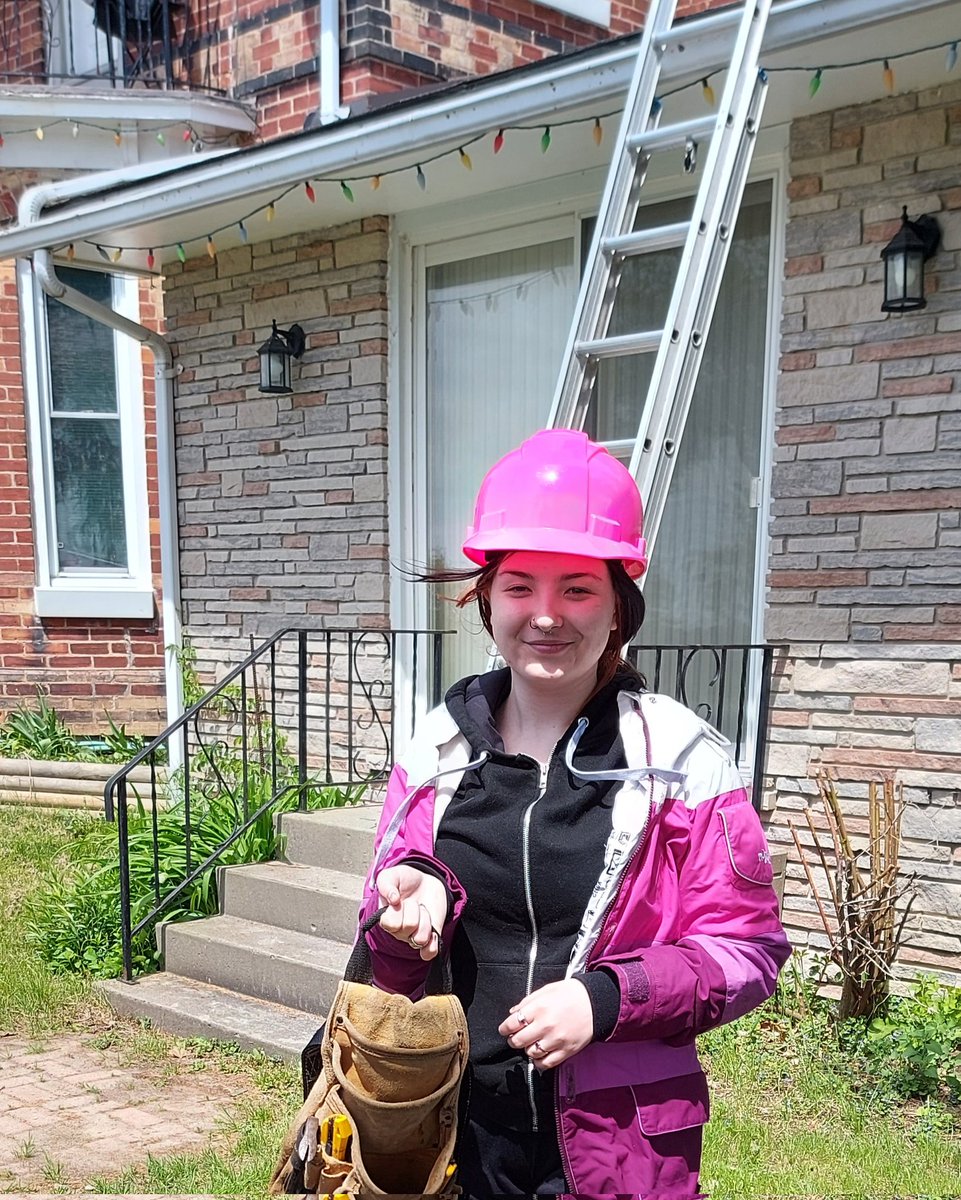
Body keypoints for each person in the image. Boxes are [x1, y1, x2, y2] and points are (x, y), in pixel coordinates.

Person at [357, 428, 790, 1197]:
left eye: (577, 589)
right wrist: (411, 904)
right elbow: (384, 944)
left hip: (613, 1146)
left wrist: (604, 998)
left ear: (619, 605)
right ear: (486, 597)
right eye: (520, 586)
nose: (546, 615)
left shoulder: (680, 762)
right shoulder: (438, 750)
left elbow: (745, 952)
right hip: (448, 1130)